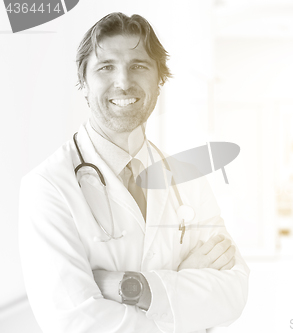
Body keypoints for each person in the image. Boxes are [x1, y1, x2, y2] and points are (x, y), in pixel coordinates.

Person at [18, 12, 250, 333]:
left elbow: (232, 292)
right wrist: (180, 289)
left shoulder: (188, 176)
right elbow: (73, 322)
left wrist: (135, 287)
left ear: (160, 81)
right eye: (106, 67)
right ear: (84, 83)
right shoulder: (48, 186)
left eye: (139, 66)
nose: (124, 82)